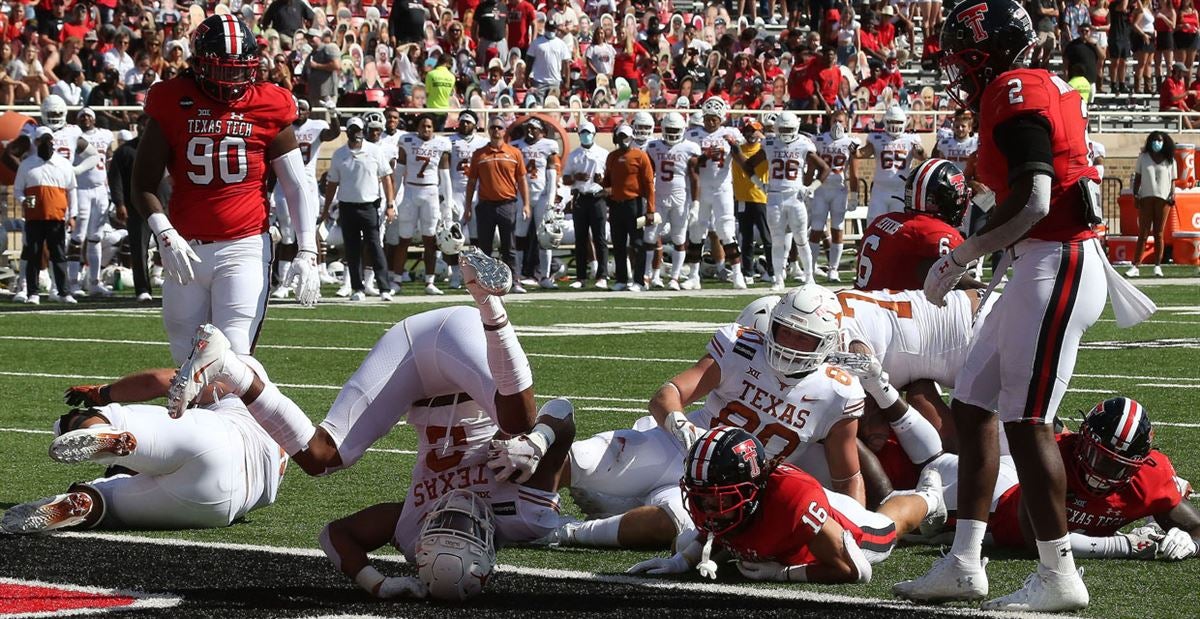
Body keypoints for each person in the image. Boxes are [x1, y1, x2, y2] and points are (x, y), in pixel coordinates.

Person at [897, 1, 1122, 611]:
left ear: (988, 51)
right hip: (1038, 263)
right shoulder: (1033, 84)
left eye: (965, 58)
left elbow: (1036, 200)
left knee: (1027, 420)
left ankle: (1058, 575)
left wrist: (960, 254)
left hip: (1058, 262)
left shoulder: (1013, 88)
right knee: (971, 405)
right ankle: (965, 562)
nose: (960, 72)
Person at [132, 14, 320, 365]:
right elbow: (142, 183)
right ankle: (202, 421)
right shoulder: (172, 98)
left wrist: (308, 248)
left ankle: (244, 421)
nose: (232, 78)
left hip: (244, 245)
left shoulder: (269, 102)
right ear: (199, 63)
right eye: (221, 68)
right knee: (186, 360)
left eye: (239, 68)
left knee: (233, 357)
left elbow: (297, 184)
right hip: (184, 247)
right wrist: (165, 234)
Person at [625, 428, 946, 585]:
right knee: (683, 541)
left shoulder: (792, 500)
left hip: (849, 528)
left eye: (718, 495)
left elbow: (857, 571)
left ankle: (930, 498)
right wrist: (684, 560)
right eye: (701, 495)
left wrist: (784, 574)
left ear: (751, 487)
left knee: (888, 524)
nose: (706, 506)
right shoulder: (734, 502)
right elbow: (721, 528)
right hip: (794, 520)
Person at [1, 368, 285, 534]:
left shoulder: (241, 369)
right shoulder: (281, 428)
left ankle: (98, 429)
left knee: (79, 420)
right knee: (106, 504)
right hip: (220, 506)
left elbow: (162, 381)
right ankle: (85, 504)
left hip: (219, 437)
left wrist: (102, 392)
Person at [986, 397, 1200, 561]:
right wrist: (1124, 545)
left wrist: (1191, 543)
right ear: (1082, 439)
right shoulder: (1056, 456)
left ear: (1137, 465)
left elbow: (1196, 527)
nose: (1101, 472)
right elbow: (1039, 541)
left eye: (1118, 466)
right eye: (1095, 455)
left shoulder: (1148, 478)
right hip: (1000, 503)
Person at [734, 112, 829, 291]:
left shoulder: (803, 143)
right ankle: (778, 279)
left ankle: (809, 278)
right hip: (775, 196)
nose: (785, 132)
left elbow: (824, 168)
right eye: (782, 129)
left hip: (795, 196)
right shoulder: (769, 143)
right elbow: (748, 165)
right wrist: (759, 184)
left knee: (801, 239)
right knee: (777, 240)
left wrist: (811, 187)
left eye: (788, 129)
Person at [855, 159, 972, 292]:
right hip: (892, 310)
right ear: (948, 200)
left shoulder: (881, 220)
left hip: (862, 304)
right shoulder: (937, 233)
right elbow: (960, 285)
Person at [272, 98, 340, 299]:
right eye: (297, 107)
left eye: (303, 108)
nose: (299, 111)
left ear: (309, 112)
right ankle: (284, 284)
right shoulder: (283, 127)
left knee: (308, 234)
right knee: (287, 235)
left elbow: (333, 134)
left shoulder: (317, 126)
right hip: (283, 186)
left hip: (307, 186)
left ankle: (314, 279)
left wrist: (333, 114)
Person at [323, 116, 396, 301]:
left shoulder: (374, 151)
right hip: (347, 207)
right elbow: (332, 183)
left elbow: (387, 177)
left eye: (358, 129)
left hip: (369, 206)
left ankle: (384, 288)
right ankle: (357, 288)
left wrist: (390, 204)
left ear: (363, 131)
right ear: (347, 131)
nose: (355, 133)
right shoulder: (339, 154)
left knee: (374, 246)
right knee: (352, 249)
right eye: (352, 129)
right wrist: (325, 209)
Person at [683, 97, 744, 290]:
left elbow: (744, 149)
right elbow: (692, 164)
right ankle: (693, 275)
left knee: (726, 231)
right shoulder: (693, 134)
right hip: (701, 189)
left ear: (721, 119)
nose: (710, 122)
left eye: (714, 119)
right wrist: (705, 156)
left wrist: (734, 144)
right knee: (696, 230)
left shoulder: (730, 133)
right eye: (708, 118)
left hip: (722, 188)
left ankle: (737, 274)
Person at [13, 127, 76, 305]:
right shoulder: (27, 164)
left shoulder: (63, 164)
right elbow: (18, 189)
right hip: (34, 218)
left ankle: (64, 292)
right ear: (36, 142)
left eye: (49, 141)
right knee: (34, 254)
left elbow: (72, 191)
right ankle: (33, 292)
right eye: (43, 141)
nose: (47, 145)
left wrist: (73, 216)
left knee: (59, 255)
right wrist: (23, 200)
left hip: (56, 218)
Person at [395, 114, 454, 296]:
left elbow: (444, 175)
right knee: (404, 238)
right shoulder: (406, 140)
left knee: (430, 239)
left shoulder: (441, 144)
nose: (426, 130)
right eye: (423, 126)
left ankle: (430, 281)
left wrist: (448, 202)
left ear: (433, 128)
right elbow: (399, 172)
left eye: (429, 126)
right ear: (417, 127)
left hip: (431, 193)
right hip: (410, 191)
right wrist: (393, 198)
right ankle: (397, 280)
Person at [465, 117, 531, 280]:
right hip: (485, 205)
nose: (496, 130)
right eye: (493, 127)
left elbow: (522, 180)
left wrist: (526, 204)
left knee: (509, 246)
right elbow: (472, 182)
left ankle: (513, 279)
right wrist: (467, 206)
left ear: (504, 130)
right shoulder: (479, 154)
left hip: (507, 204)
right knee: (484, 246)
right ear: (489, 130)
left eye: (499, 128)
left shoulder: (514, 153)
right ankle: (485, 281)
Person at [645, 113, 700, 291]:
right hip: (659, 199)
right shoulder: (653, 146)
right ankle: (647, 275)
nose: (671, 133)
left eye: (675, 130)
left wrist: (695, 203)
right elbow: (648, 174)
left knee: (679, 238)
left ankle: (675, 277)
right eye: (669, 130)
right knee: (650, 236)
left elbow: (694, 177)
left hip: (680, 199)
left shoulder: (689, 148)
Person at [603, 124, 655, 291]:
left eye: (626, 137)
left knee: (638, 243)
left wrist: (650, 210)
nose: (624, 140)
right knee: (618, 244)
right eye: (621, 137)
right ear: (616, 138)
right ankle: (621, 279)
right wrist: (602, 187)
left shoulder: (640, 156)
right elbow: (607, 182)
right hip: (616, 205)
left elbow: (648, 184)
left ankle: (639, 281)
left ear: (632, 137)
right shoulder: (611, 157)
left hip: (635, 204)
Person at [811, 110, 860, 283]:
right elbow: (811, 165)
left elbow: (854, 171)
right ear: (829, 121)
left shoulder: (851, 142)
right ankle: (811, 269)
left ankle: (834, 269)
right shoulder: (819, 139)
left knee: (838, 228)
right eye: (834, 121)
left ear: (846, 123)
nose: (837, 124)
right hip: (821, 189)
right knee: (816, 228)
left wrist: (854, 195)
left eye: (840, 121)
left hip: (839, 189)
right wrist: (808, 186)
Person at [561, 120, 612, 289]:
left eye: (588, 132)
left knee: (600, 238)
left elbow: (610, 180)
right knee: (580, 238)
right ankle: (580, 277)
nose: (586, 135)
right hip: (580, 197)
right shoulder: (574, 155)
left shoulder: (604, 154)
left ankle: (602, 276)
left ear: (594, 134)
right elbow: (566, 178)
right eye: (583, 133)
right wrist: (576, 178)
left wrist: (602, 181)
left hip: (597, 197)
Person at [108, 114, 152, 302]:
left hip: (166, 206)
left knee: (171, 249)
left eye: (148, 124)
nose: (144, 127)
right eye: (142, 124)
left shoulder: (165, 147)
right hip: (138, 207)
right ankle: (143, 288)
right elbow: (115, 179)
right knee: (138, 249)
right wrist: (119, 203)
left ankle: (177, 288)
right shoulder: (125, 151)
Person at [513, 118, 561, 291]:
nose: (530, 131)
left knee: (545, 237)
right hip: (521, 196)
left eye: (534, 128)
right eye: (528, 128)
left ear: (542, 131)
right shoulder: (516, 146)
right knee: (519, 236)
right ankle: (516, 276)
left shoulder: (548, 146)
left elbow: (552, 175)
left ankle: (545, 276)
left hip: (540, 196)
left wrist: (549, 201)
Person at [857, 106, 924, 226]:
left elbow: (923, 157)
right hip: (880, 190)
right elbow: (861, 153)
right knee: (874, 224)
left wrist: (920, 150)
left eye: (898, 122)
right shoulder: (877, 138)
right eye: (892, 121)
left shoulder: (911, 139)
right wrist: (853, 149)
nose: (895, 125)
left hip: (901, 189)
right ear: (885, 121)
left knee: (899, 227)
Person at [447, 111, 489, 288]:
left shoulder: (482, 142)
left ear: (475, 124)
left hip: (476, 192)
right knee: (453, 238)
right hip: (456, 190)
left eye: (468, 122)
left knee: (476, 237)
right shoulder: (449, 141)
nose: (464, 125)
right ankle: (455, 275)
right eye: (462, 122)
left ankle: (477, 273)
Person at [1126, 131, 1178, 278]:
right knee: (1143, 232)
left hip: (1163, 199)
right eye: (1155, 140)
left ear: (1165, 142)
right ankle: (1135, 265)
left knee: (1159, 233)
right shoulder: (1143, 157)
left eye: (1160, 140)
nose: (1157, 143)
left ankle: (1157, 265)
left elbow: (1172, 180)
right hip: (1146, 198)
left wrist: (1172, 195)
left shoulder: (1170, 160)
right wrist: (1135, 194)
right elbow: (1138, 177)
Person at [728, 117, 771, 290]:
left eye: (754, 130)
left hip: (760, 197)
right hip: (742, 198)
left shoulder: (764, 149)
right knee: (745, 238)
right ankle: (747, 272)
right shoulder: (739, 149)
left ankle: (772, 270)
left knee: (767, 237)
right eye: (748, 130)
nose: (751, 133)